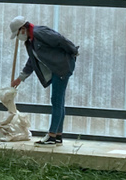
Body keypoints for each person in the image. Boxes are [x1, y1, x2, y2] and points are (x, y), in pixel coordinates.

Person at [10, 16, 79, 146]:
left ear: (23, 29)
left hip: (62, 67)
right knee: (59, 100)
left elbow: (60, 40)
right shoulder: (30, 41)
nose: (18, 37)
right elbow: (32, 62)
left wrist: (73, 51)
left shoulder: (40, 33)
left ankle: (52, 136)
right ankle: (58, 135)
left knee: (57, 100)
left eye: (17, 34)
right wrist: (20, 79)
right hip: (57, 69)